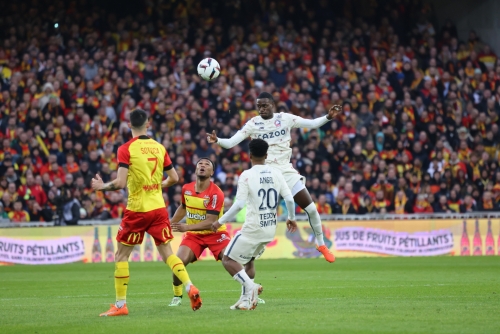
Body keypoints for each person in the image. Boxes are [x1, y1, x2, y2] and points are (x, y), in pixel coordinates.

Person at [91, 108, 202, 316]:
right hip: (158, 208)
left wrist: (102, 187)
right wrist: (157, 185)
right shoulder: (159, 147)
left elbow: (121, 182)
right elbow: (175, 178)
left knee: (121, 255)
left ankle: (120, 305)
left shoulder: (126, 148)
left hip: (137, 209)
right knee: (168, 253)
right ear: (148, 124)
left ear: (128, 125)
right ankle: (189, 287)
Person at [208, 92, 339, 263]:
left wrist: (328, 117)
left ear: (272, 104)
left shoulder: (285, 118)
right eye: (259, 106)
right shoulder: (253, 123)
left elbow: (312, 124)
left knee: (312, 209)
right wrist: (218, 140)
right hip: (264, 173)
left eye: (264, 105)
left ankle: (321, 244)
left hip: (286, 171)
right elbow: (232, 142)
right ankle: (249, 250)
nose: (261, 109)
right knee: (258, 214)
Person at [211, 139, 297, 310]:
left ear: (249, 155)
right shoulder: (277, 173)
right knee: (248, 261)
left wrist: (220, 221)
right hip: (269, 229)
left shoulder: (246, 175)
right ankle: (245, 300)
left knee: (228, 259)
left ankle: (251, 287)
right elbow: (289, 198)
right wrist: (291, 217)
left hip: (253, 228)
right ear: (267, 155)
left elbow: (239, 204)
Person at [168, 158, 230, 307]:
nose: (202, 166)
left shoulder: (216, 193)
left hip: (215, 233)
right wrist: (170, 223)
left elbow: (210, 222)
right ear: (195, 169)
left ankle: (248, 291)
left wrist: (186, 227)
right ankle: (177, 295)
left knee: (231, 259)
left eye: (207, 164)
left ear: (212, 172)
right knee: (179, 261)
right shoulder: (186, 188)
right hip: (194, 235)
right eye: (200, 164)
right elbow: (183, 207)